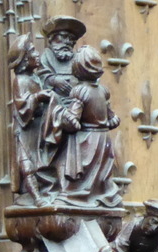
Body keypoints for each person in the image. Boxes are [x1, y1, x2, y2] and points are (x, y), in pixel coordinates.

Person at [45, 45, 121, 207]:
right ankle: (104, 195)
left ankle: (72, 195)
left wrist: (57, 112)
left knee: (69, 165)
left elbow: (73, 121)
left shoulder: (79, 92)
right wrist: (110, 121)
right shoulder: (103, 91)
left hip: (86, 139)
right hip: (103, 139)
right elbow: (111, 117)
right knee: (99, 170)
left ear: (77, 68)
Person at [8, 34, 52, 206]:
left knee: (41, 162)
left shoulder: (36, 78)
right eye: (33, 51)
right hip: (24, 131)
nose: (37, 54)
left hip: (38, 128)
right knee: (26, 164)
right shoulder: (20, 81)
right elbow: (22, 107)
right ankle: (37, 199)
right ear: (25, 60)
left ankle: (44, 192)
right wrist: (37, 97)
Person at [38, 16, 86, 103]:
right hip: (54, 103)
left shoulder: (78, 58)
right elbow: (40, 78)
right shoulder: (46, 56)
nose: (68, 42)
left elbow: (90, 79)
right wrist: (54, 80)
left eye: (71, 39)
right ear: (52, 38)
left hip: (77, 102)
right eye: (64, 36)